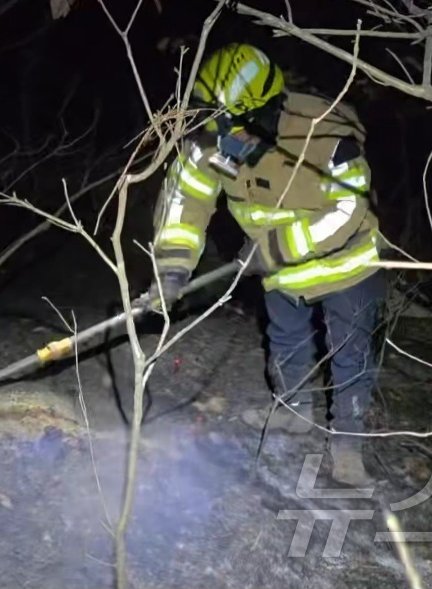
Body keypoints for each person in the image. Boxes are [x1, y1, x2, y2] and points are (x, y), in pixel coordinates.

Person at [139, 42, 386, 486]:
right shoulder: (216, 139)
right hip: (278, 272)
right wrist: (172, 269)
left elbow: (347, 211)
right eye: (216, 126)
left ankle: (347, 446)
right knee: (286, 341)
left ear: (266, 112)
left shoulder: (327, 139)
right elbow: (185, 200)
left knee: (350, 357)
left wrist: (270, 249)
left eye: (233, 127)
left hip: (347, 267)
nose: (225, 141)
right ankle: (293, 414)